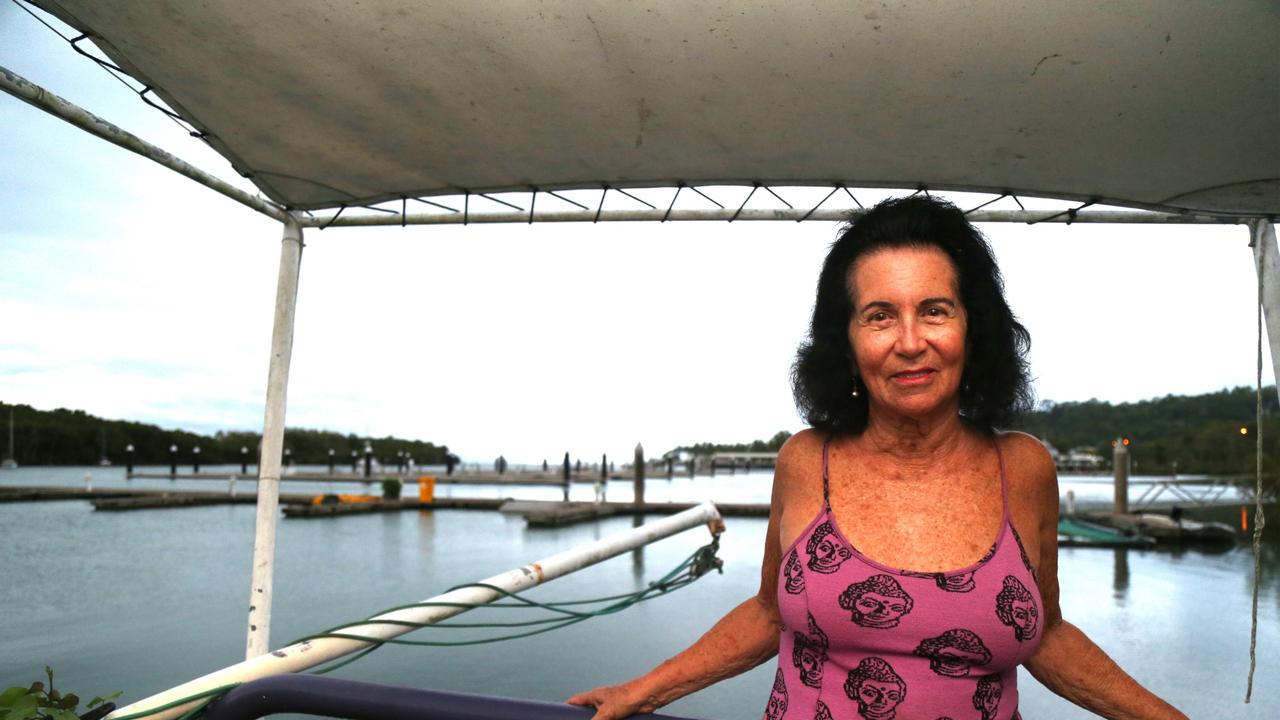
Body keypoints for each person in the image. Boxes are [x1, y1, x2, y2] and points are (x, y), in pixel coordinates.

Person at [567, 196, 1186, 719]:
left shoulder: (1023, 469)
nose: (911, 343)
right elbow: (765, 614)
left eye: (935, 311)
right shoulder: (807, 463)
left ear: (973, 329)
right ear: (847, 343)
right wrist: (643, 690)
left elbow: (1045, 635)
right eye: (880, 316)